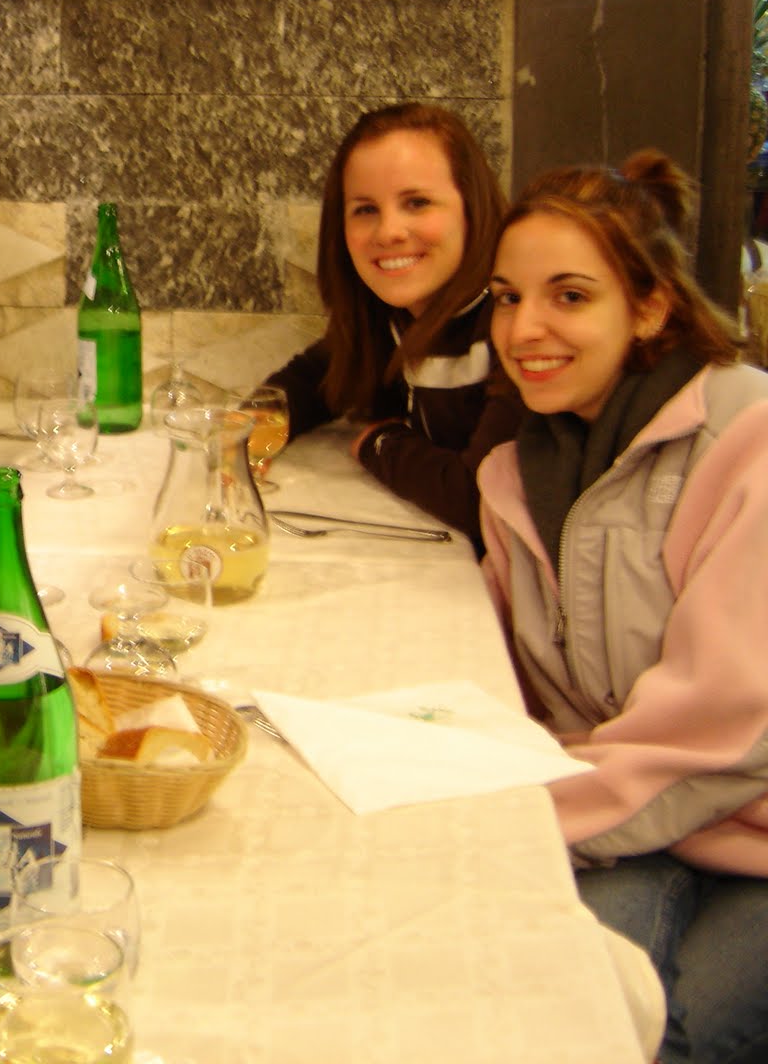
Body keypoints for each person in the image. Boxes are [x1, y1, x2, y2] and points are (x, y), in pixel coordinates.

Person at [478, 150, 768, 1063]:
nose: (524, 328)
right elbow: (505, 688)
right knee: (546, 994)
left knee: (648, 1033)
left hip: (741, 819)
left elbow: (728, 733)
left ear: (649, 307)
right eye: (506, 297)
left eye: (569, 296)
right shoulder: (516, 475)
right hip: (645, 821)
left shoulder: (746, 440)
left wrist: (511, 824)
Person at [264, 102, 524, 545]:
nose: (388, 232)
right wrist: (243, 431)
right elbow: (315, 379)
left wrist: (380, 443)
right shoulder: (390, 316)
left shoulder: (513, 322)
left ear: (471, 207)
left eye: (416, 203)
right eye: (365, 209)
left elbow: (480, 499)